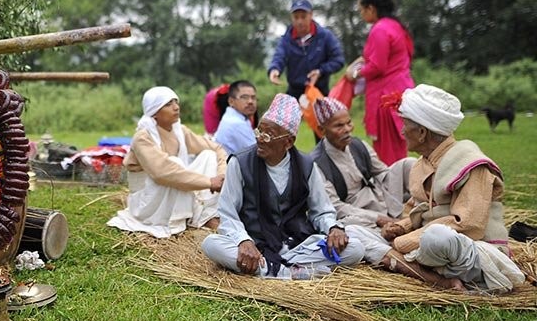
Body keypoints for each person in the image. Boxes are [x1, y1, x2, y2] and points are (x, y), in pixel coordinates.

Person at [347, 84, 524, 292]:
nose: (402, 131)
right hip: (428, 248)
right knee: (353, 231)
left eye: (405, 125)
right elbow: (416, 210)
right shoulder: (422, 163)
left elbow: (468, 226)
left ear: (422, 133)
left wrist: (404, 241)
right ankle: (428, 274)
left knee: (437, 237)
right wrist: (400, 226)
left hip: (472, 251)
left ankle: (404, 261)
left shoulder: (472, 163)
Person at [201, 94, 364, 279]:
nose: (260, 139)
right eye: (259, 131)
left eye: (268, 135)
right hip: (256, 246)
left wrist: (333, 228)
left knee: (355, 249)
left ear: (288, 142)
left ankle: (274, 271)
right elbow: (228, 213)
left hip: (298, 244)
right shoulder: (240, 163)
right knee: (211, 244)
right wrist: (243, 240)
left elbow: (322, 211)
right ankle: (291, 272)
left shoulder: (307, 165)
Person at [107, 86, 227, 238]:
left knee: (209, 155)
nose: (176, 107)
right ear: (155, 111)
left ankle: (206, 215)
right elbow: (163, 172)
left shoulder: (179, 130)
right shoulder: (143, 137)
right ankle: (176, 218)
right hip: (148, 198)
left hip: (172, 183)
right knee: (174, 162)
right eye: (168, 104)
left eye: (176, 102)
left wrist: (221, 176)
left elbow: (216, 148)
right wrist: (209, 182)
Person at [310, 97, 412, 233]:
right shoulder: (317, 163)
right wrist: (378, 218)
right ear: (322, 130)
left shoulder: (358, 144)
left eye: (349, 123)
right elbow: (336, 206)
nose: (347, 129)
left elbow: (382, 173)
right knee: (349, 225)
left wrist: (405, 186)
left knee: (408, 164)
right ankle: (385, 229)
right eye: (339, 126)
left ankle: (431, 204)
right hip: (356, 211)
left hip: (378, 195)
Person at [346, 0, 414, 165]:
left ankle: (394, 188)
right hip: (401, 91)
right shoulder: (397, 26)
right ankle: (402, 185)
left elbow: (377, 66)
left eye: (362, 9)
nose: (361, 14)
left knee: (387, 151)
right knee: (399, 146)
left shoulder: (380, 29)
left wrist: (356, 73)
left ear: (371, 9)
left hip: (387, 97)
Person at [268, 0, 345, 98]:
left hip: (320, 91)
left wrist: (320, 71)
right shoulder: (286, 39)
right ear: (291, 18)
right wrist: (274, 69)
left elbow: (338, 60)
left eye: (303, 17)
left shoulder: (325, 36)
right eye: (296, 17)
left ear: (311, 15)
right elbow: (279, 56)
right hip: (294, 93)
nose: (300, 21)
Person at [213, 80, 258, 155]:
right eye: (244, 97)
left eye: (253, 97)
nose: (250, 101)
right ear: (231, 101)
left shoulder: (233, 116)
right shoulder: (236, 123)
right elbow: (256, 153)